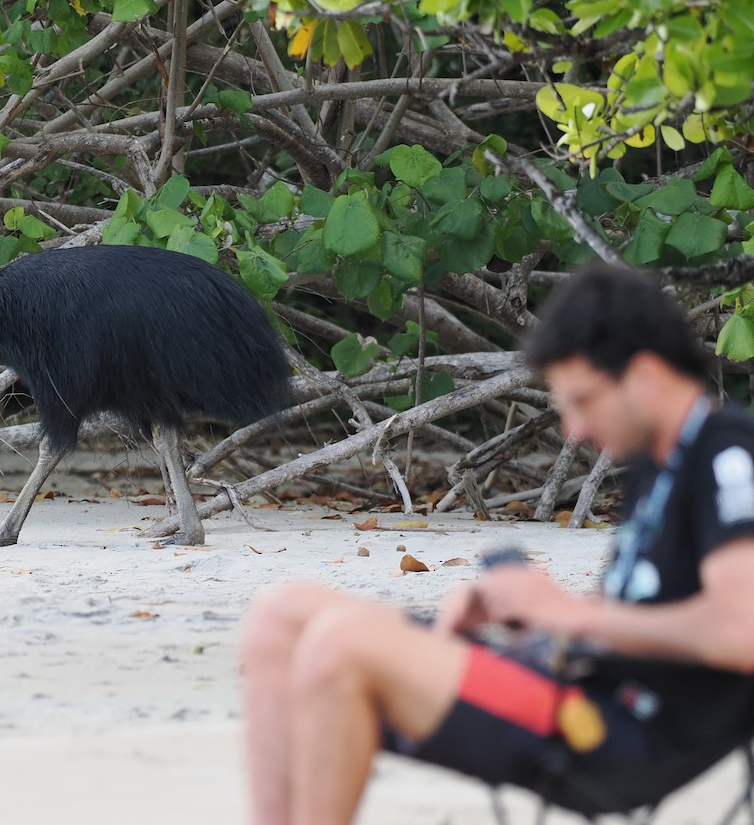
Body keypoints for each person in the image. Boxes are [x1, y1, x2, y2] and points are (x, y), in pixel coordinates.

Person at [241, 264, 754, 824]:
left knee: (341, 642)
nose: (575, 430)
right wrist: (535, 616)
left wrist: (572, 618)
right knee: (280, 616)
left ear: (646, 376)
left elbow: (741, 631)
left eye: (583, 401)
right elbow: (640, 617)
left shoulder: (728, 456)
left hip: (610, 729)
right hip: (572, 676)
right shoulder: (658, 460)